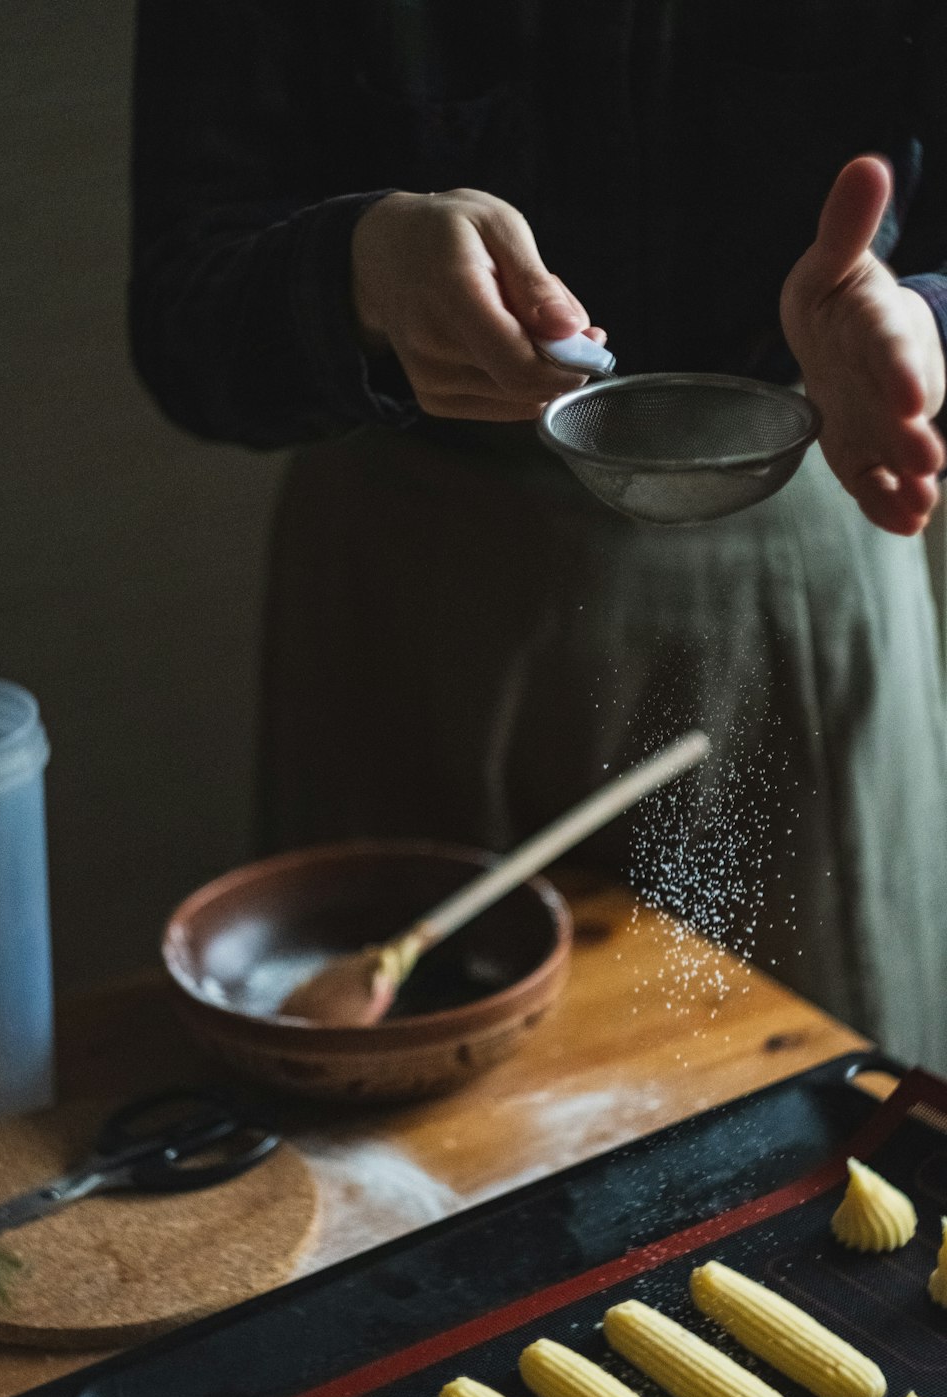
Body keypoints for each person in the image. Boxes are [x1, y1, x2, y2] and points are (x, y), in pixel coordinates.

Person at [129, 2, 947, 1066]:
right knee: (407, 1142)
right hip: (412, 602)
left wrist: (922, 321)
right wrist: (355, 272)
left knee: (819, 1122)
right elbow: (181, 314)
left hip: (793, 585)